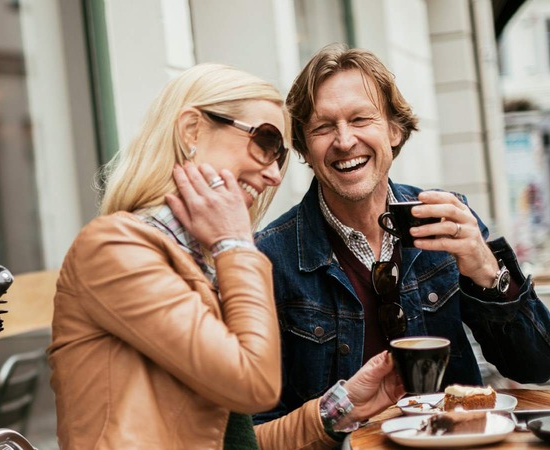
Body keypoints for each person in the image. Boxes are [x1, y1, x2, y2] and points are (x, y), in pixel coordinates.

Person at [48, 63, 404, 450]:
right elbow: (254, 383)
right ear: (191, 131)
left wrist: (343, 407)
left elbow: (238, 441)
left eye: (281, 156)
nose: (273, 174)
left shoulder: (202, 264)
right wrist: (235, 243)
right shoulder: (115, 248)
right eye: (266, 142)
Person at [254, 43, 550, 428]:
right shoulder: (269, 257)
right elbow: (257, 423)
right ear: (305, 148)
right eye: (324, 127)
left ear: (394, 129)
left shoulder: (447, 219)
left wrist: (487, 272)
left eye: (361, 119)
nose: (344, 141)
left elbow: (536, 365)